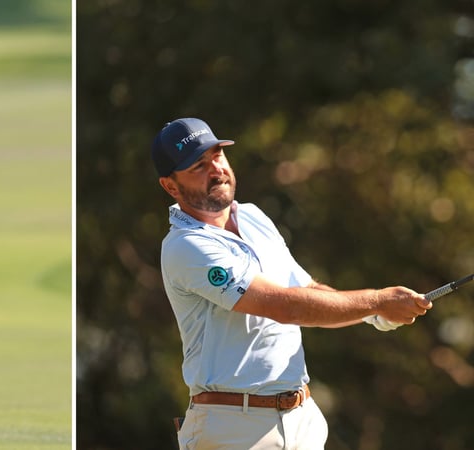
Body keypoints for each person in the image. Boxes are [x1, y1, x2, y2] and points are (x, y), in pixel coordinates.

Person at [151, 118, 432, 449]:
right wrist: (377, 301)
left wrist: (370, 314)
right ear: (171, 186)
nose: (216, 170)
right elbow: (282, 305)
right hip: (234, 428)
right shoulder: (185, 245)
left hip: (301, 418)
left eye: (218, 156)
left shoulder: (253, 216)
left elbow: (305, 289)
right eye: (198, 166)